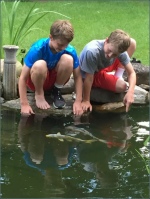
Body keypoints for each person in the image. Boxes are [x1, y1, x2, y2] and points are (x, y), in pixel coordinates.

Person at [19, 19, 83, 116]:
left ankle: (56, 90)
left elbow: (78, 77)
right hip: (36, 81)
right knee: (40, 64)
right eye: (60, 45)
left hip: (53, 80)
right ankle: (39, 94)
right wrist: (24, 104)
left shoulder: (69, 50)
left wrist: (78, 101)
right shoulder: (38, 48)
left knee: (68, 59)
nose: (63, 48)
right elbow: (22, 77)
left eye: (66, 45)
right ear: (51, 37)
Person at [79, 29, 136, 112]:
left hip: (104, 66)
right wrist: (86, 100)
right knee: (122, 86)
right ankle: (111, 77)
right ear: (106, 41)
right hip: (92, 73)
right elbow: (89, 78)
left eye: (115, 54)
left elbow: (131, 73)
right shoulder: (92, 51)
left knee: (132, 42)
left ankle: (117, 75)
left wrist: (131, 92)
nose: (110, 55)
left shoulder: (116, 51)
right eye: (109, 50)